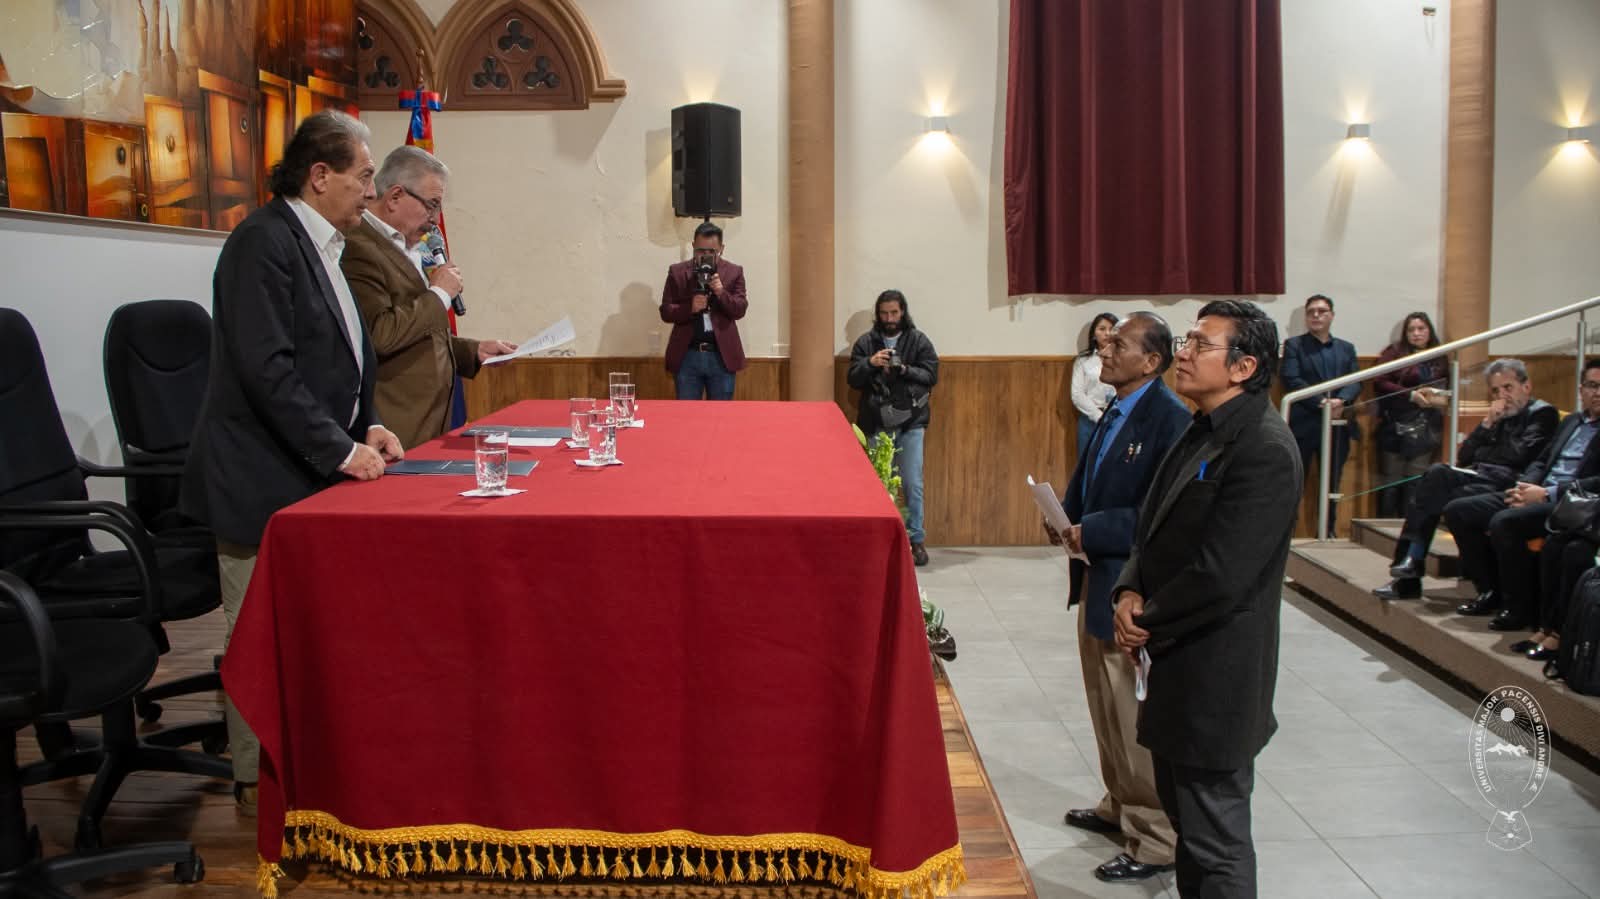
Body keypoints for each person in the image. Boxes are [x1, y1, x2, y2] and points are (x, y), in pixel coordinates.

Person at [179, 110, 404, 814]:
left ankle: (308, 760)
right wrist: (341, 450)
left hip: (305, 474)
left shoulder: (323, 246)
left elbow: (328, 359)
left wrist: (365, 423)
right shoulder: (262, 244)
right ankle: (258, 783)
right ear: (321, 175)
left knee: (307, 634)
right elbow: (267, 371)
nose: (371, 190)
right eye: (365, 176)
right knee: (258, 637)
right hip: (260, 481)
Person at [1112, 299, 1302, 898]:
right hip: (1176, 662)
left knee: (1216, 840)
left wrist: (1145, 617)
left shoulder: (1264, 449)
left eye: (1199, 344)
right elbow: (1154, 522)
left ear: (1243, 367)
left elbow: (1223, 572)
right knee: (1188, 827)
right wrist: (1129, 586)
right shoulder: (1203, 426)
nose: (1183, 353)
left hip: (1217, 674)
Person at [1052, 312, 1189, 884]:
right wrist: (1063, 515)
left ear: (1151, 361)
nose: (1105, 347)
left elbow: (1163, 515)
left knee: (1130, 711)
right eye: (1108, 340)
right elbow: (1094, 478)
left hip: (1130, 586)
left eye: (1120, 342)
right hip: (1096, 577)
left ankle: (1155, 835)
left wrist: (1095, 530)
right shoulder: (1117, 404)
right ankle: (1119, 803)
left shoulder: (1169, 420)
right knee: (1103, 700)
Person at [342, 146, 517, 449]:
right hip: (397, 425)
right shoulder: (358, 247)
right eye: (432, 205)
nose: (436, 219)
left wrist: (471, 351)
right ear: (395, 196)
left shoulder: (409, 246)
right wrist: (439, 294)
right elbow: (379, 335)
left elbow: (418, 331)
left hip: (432, 422)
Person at [1374, 359, 1557, 601]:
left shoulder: (1542, 414)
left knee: (1437, 496)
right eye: (1495, 390)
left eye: (1508, 387)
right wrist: (1487, 424)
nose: (1502, 395)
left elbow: (1519, 455)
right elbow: (1466, 455)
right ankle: (1411, 563)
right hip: (1482, 475)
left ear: (1526, 386)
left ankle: (1409, 574)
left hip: (1512, 483)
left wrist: (1494, 435)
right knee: (1436, 473)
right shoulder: (1497, 416)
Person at [1445, 359, 1600, 632]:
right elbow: (1541, 461)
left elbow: (1596, 482)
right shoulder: (1573, 421)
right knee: (1458, 509)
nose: (1597, 392)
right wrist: (1524, 487)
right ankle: (1490, 591)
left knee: (1504, 522)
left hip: (1572, 503)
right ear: (1581, 390)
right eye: (1592, 385)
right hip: (1532, 491)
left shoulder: (1542, 414)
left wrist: (1545, 493)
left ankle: (1518, 608)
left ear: (1526, 386)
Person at [848, 290, 939, 566]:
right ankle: (880, 540)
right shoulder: (866, 342)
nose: (889, 319)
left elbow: (932, 374)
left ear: (903, 312)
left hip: (912, 422)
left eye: (894, 313)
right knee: (878, 485)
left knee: (912, 483)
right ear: (878, 314)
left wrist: (905, 369)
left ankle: (916, 541)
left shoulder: (918, 340)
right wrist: (870, 363)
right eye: (884, 313)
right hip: (877, 422)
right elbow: (852, 378)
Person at [1280, 294, 1360, 536]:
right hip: (1304, 424)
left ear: (1331, 316)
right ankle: (1287, 534)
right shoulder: (1295, 345)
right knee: (1295, 483)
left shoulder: (1346, 348)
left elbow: (1355, 381)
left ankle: (1329, 531)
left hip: (1337, 424)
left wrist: (1341, 400)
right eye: (1311, 311)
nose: (1316, 315)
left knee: (1331, 482)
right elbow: (1292, 379)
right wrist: (1322, 402)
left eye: (1322, 311)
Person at [660, 222, 748, 400]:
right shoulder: (677, 272)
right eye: (700, 251)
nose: (705, 256)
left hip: (721, 357)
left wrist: (721, 293)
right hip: (687, 356)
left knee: (721, 418)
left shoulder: (734, 272)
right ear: (693, 246)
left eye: (711, 252)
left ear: (721, 249)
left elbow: (740, 309)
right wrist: (689, 308)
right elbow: (666, 311)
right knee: (686, 417)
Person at [1373, 313, 1447, 518]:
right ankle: (1385, 524)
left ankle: (1409, 527)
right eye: (1411, 329)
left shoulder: (1440, 355)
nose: (1416, 334)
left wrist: (1438, 397)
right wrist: (1411, 395)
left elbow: (1447, 383)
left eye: (1421, 328)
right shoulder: (1395, 352)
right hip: (1396, 424)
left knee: (1416, 481)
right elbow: (1379, 380)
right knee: (1391, 481)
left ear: (1429, 331)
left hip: (1427, 426)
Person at [1072, 312, 1119, 450]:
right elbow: (1077, 394)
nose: (1107, 333)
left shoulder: (1124, 359)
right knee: (1087, 465)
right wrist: (1098, 415)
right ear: (1094, 334)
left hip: (1116, 417)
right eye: (1102, 329)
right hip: (1090, 419)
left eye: (1111, 329)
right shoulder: (1083, 361)